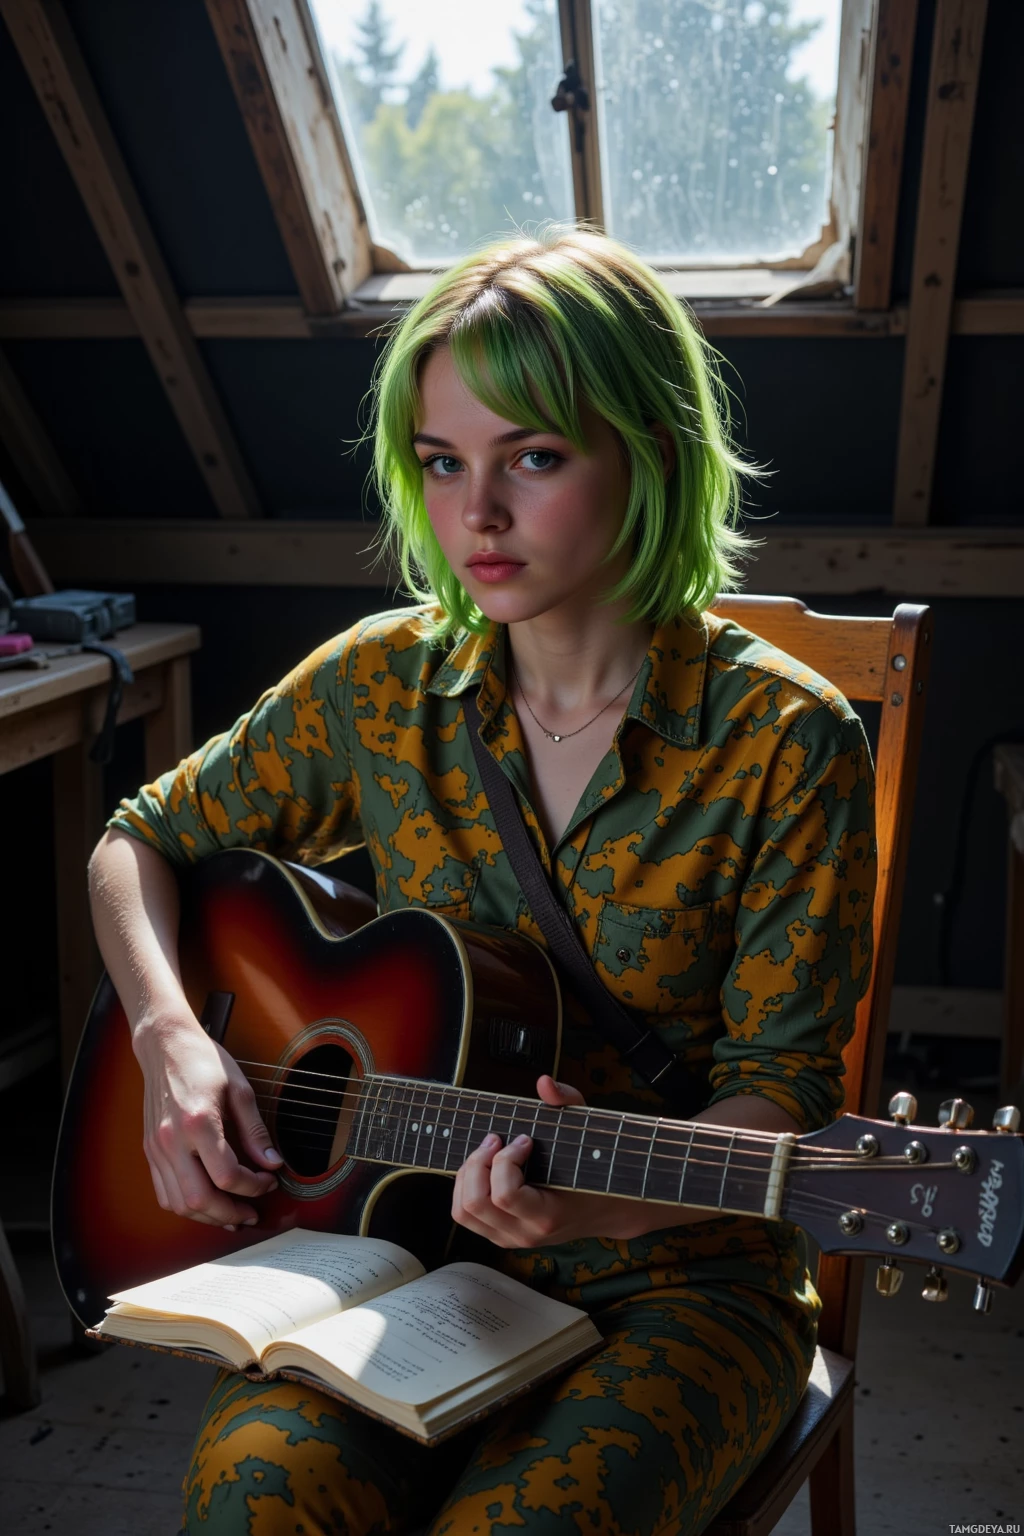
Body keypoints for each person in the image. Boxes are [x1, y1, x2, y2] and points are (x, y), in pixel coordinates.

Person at [88, 227, 875, 1535]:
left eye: (536, 459)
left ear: (653, 452)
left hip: (683, 1275)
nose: (476, 516)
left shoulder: (787, 741)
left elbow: (781, 1105)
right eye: (444, 464)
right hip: (401, 1255)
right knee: (255, 1496)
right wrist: (170, 1041)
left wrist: (592, 1196)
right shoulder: (376, 684)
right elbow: (138, 837)